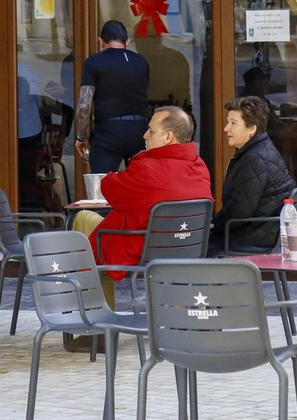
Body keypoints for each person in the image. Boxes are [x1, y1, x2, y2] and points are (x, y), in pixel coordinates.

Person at [71, 106, 212, 305]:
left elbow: (110, 189)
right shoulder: (200, 167)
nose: (145, 135)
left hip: (143, 247)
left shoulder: (148, 169)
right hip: (187, 246)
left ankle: (98, 319)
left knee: (83, 219)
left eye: (151, 131)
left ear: (168, 137)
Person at [208, 96, 297, 254]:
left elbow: (240, 210)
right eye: (228, 122)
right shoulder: (260, 149)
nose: (226, 128)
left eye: (233, 123)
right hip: (260, 231)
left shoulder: (255, 158)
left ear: (252, 129)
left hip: (252, 236)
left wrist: (212, 226)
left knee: (196, 245)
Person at [74, 20, 151, 174]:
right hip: (139, 130)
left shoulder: (93, 62)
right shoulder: (141, 61)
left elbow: (84, 104)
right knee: (141, 187)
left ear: (101, 41)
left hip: (108, 132)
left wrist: (81, 136)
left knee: (102, 188)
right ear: (127, 42)